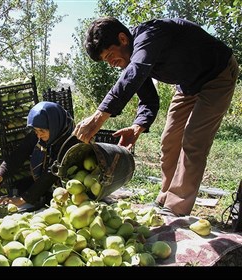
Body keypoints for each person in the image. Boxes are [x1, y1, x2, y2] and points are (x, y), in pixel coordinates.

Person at [74, 17, 239, 216]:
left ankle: (176, 208)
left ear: (122, 39)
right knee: (169, 140)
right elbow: (149, 100)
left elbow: (135, 73)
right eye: (106, 61)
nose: (110, 64)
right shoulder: (134, 60)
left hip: (217, 74)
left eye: (110, 55)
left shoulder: (150, 35)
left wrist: (98, 117)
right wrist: (137, 127)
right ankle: (165, 195)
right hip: (187, 85)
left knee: (194, 141)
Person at [0, 101, 78, 210]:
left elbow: (51, 173)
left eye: (42, 130)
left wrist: (23, 200)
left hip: (70, 190)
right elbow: (19, 153)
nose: (39, 134)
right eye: (36, 130)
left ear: (54, 125)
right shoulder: (40, 134)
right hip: (48, 188)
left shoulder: (70, 141)